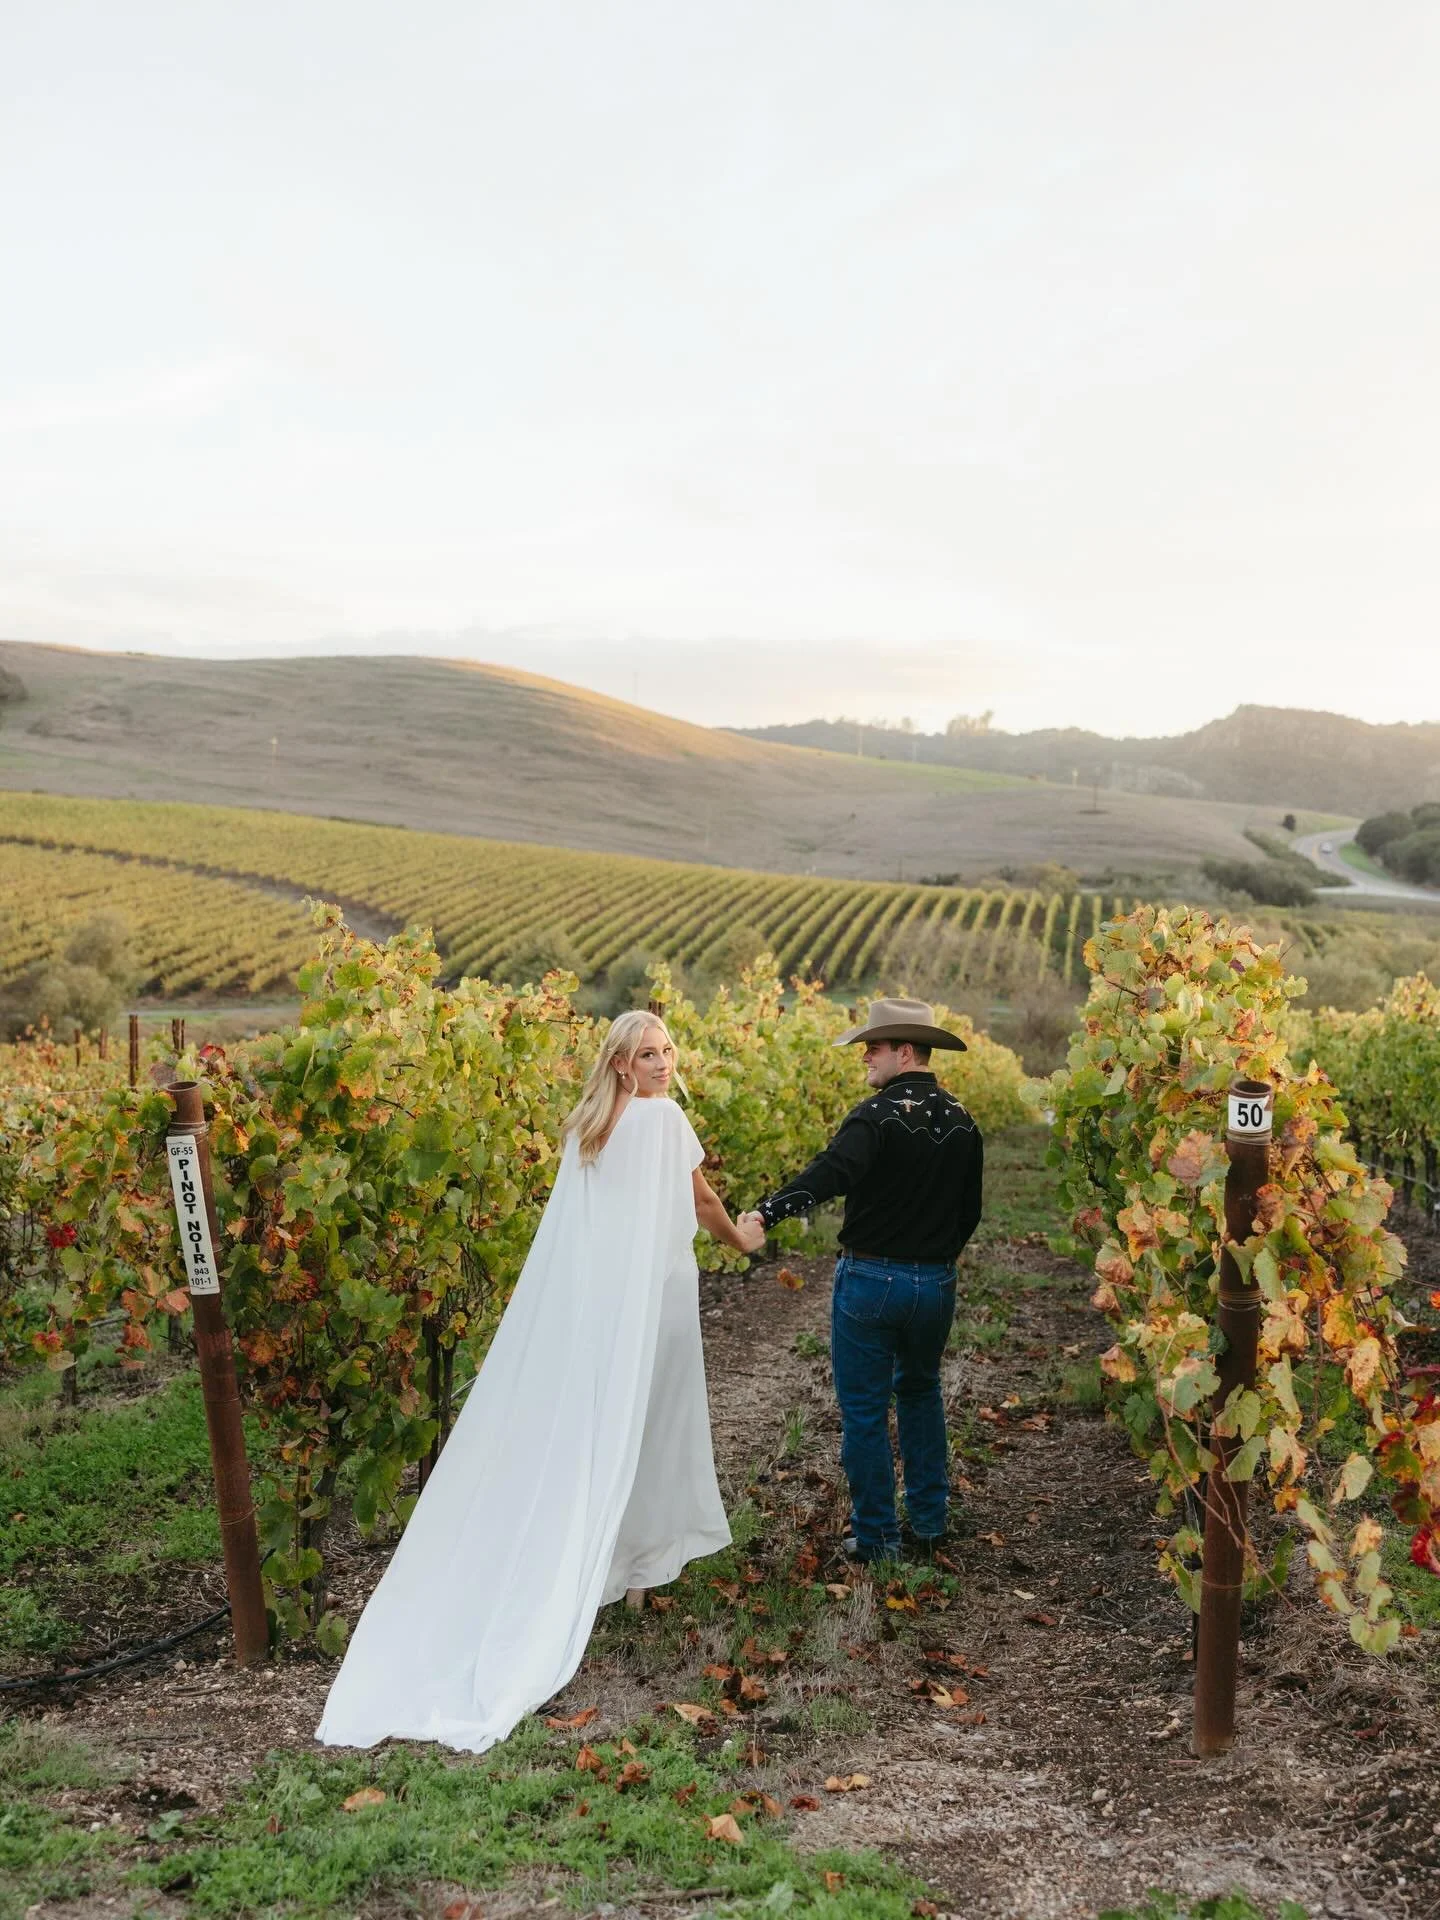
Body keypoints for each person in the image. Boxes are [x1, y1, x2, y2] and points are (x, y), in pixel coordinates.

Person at [316, 1010, 763, 1754]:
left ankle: (616, 1571)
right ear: (621, 1063)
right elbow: (704, 1202)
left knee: (599, 1429)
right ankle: (637, 1575)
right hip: (655, 1303)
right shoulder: (663, 1122)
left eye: (668, 1051)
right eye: (648, 1055)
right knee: (655, 1425)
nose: (663, 1064)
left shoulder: (584, 1128)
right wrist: (743, 1239)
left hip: (595, 1307)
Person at [739, 997, 982, 1565]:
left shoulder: (875, 1116)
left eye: (872, 1046)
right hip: (935, 1285)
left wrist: (767, 1213)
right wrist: (937, 1260)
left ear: (904, 1051)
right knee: (921, 1393)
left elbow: (831, 1174)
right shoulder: (965, 1122)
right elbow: (969, 1212)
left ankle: (876, 1539)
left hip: (871, 1282)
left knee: (866, 1411)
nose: (864, 1057)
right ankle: (927, 1521)